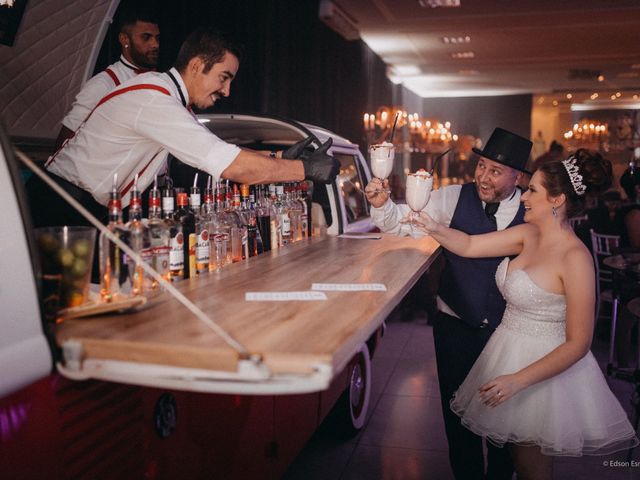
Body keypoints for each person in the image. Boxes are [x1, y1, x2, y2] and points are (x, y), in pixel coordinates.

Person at [411, 149, 638, 479]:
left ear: (557, 199)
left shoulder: (576, 258)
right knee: (515, 459)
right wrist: (430, 225)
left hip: (539, 371)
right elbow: (470, 245)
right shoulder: (529, 235)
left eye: (533, 190)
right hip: (507, 352)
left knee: (531, 468)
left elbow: (579, 343)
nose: (524, 197)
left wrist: (518, 380)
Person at [28, 27, 339, 228]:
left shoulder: (169, 99)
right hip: (58, 204)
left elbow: (224, 151)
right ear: (195, 65)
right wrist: (303, 169)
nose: (227, 91)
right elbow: (233, 167)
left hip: (77, 205)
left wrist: (280, 158)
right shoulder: (155, 100)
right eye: (224, 77)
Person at [365, 127, 532, 480]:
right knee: (457, 419)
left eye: (495, 171)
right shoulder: (453, 197)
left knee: (504, 424)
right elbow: (404, 223)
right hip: (455, 326)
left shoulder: (532, 211)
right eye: (482, 166)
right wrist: (381, 206)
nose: (483, 176)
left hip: (510, 332)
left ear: (518, 176)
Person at [55, 4, 161, 149]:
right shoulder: (103, 84)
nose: (155, 44)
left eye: (157, 38)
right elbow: (65, 142)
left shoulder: (160, 80)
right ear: (125, 40)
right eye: (146, 37)